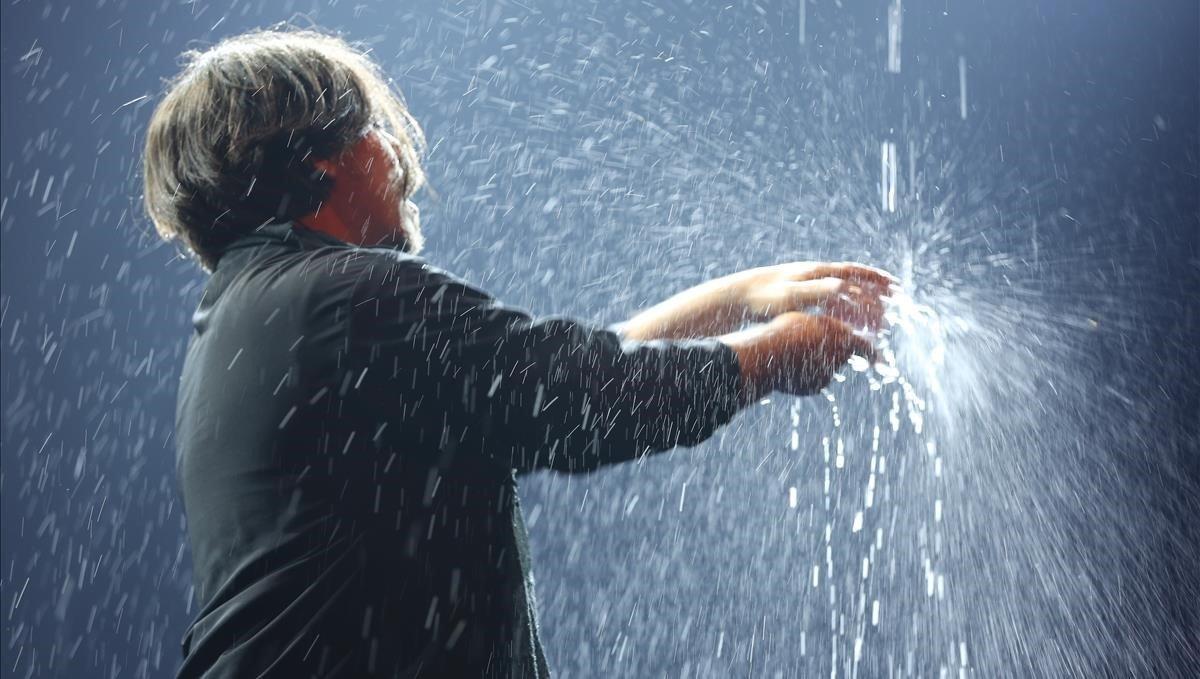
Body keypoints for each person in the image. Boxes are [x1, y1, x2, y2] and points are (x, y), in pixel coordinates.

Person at [143, 27, 894, 679]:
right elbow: (588, 399)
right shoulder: (354, 296)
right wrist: (773, 354)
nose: (400, 156)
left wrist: (742, 294)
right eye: (376, 130)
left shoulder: (256, 314)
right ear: (323, 159)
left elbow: (533, 381)